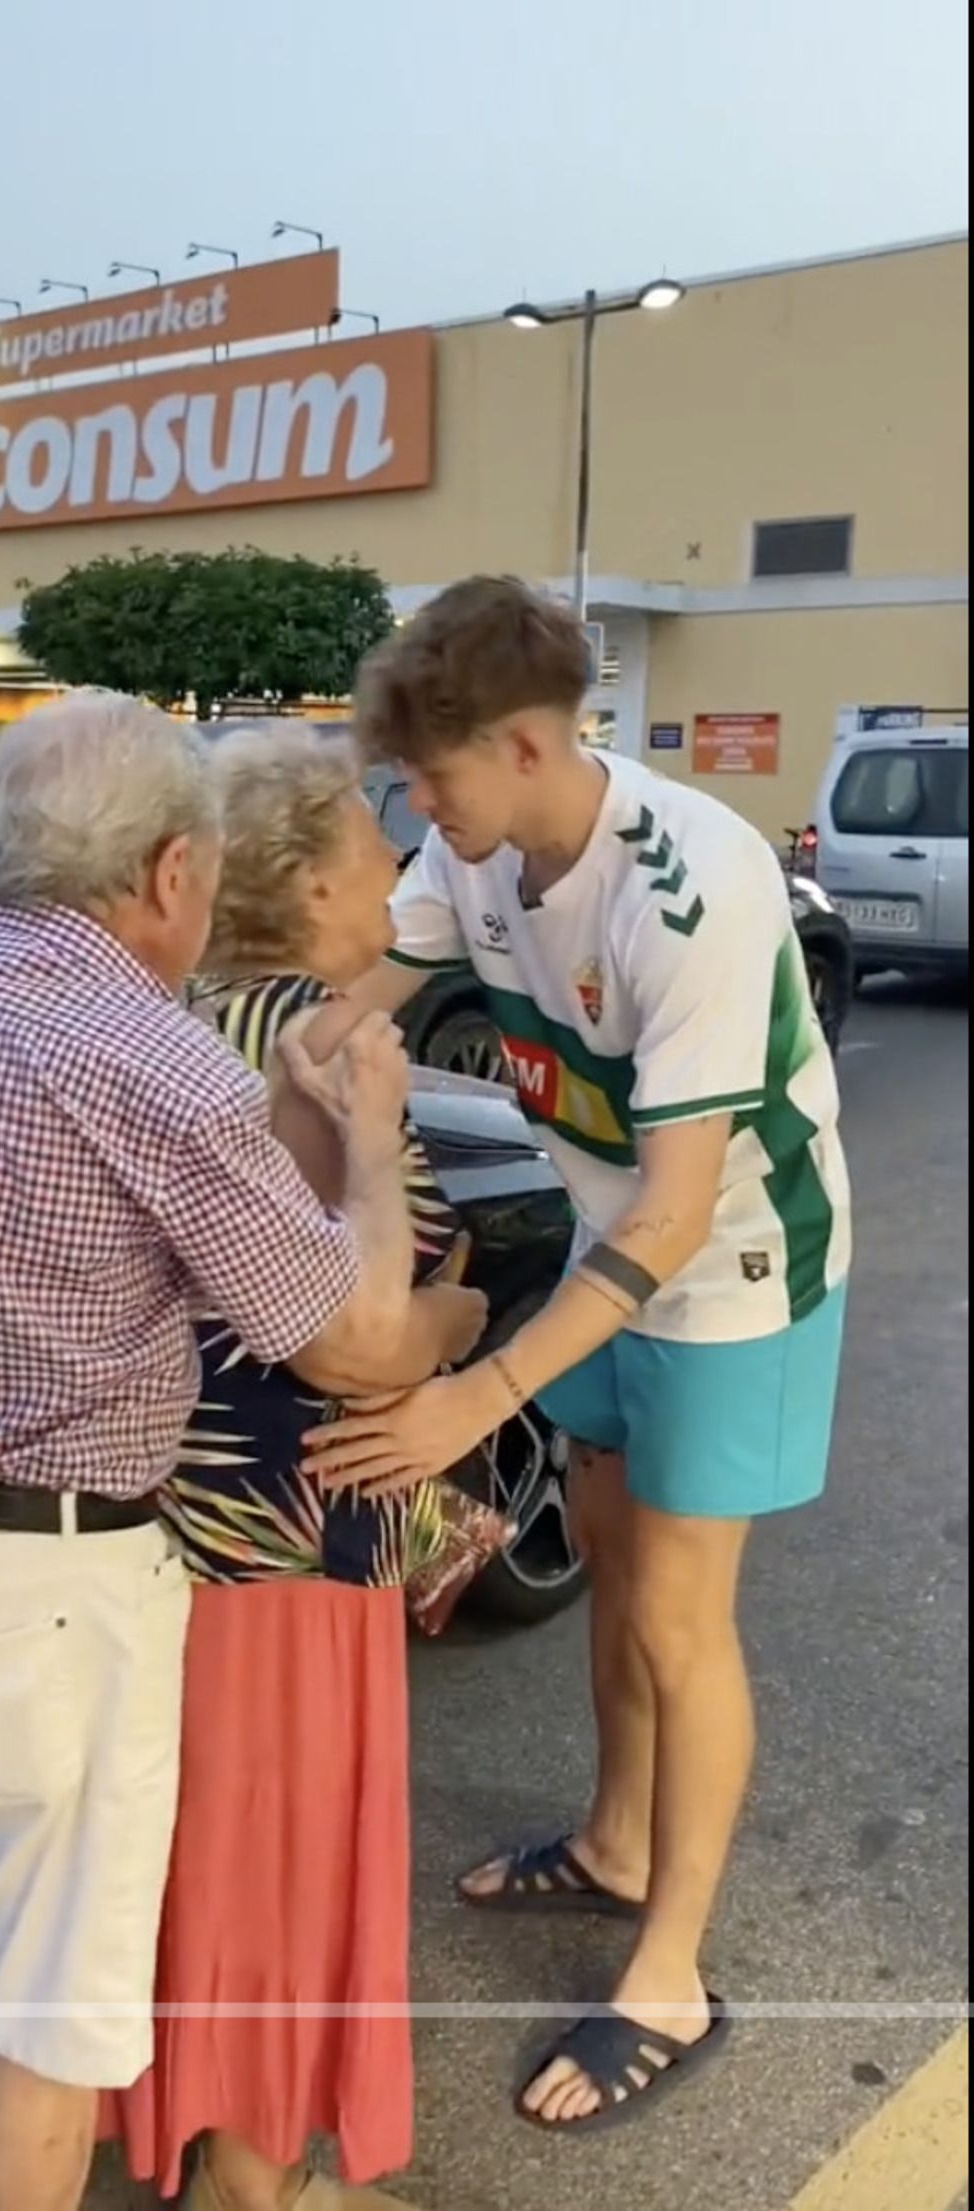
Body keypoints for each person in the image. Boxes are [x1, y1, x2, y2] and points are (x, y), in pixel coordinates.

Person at [0, 694, 420, 2211]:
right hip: (30, 1589)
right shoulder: (146, 1059)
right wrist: (370, 1145)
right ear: (170, 872)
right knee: (49, 2033)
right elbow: (349, 1342)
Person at [304, 577, 852, 2137]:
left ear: (532, 747)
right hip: (609, 1249)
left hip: (729, 1266)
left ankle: (667, 1973)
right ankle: (617, 1841)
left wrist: (480, 1389)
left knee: (682, 1619)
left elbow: (680, 1213)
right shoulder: (474, 854)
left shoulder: (693, 887)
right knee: (607, 1558)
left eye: (437, 778)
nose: (416, 807)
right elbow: (353, 1002)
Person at [101, 724, 492, 2210]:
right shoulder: (321, 1044)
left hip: (163, 1525)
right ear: (307, 889)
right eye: (366, 845)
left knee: (193, 1846)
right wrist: (461, 1312)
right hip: (298, 1522)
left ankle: (194, 2134)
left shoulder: (169, 1022)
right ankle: (250, 2172)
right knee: (280, 1855)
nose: (394, 859)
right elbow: (362, 1341)